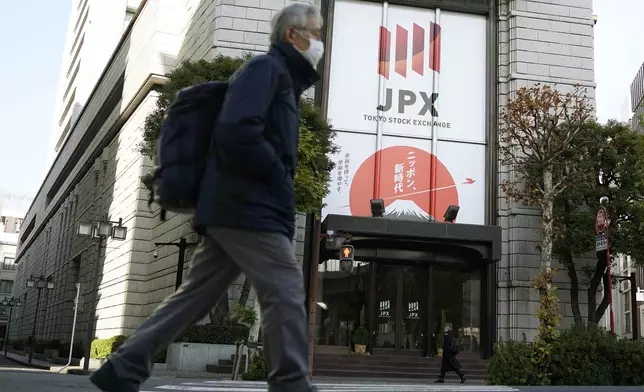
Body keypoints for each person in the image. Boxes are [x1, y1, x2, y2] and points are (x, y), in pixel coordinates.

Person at [89, 4, 324, 392]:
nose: (319, 44)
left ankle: (123, 367)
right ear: (291, 35)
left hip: (241, 205)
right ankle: (290, 382)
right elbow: (236, 129)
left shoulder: (281, 78)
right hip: (250, 206)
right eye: (314, 34)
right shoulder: (267, 70)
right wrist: (278, 172)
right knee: (284, 287)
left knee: (196, 296)